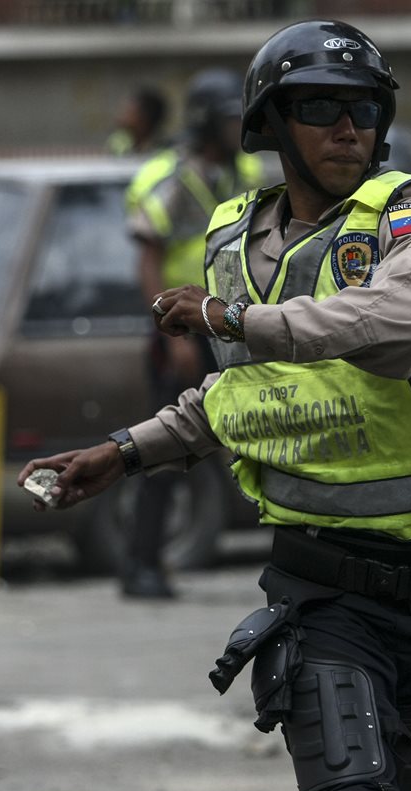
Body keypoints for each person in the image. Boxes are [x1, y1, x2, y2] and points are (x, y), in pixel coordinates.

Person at [18, 18, 411, 791]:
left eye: (365, 108)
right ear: (272, 123)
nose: (349, 127)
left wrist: (233, 319)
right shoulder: (233, 239)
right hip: (318, 588)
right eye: (322, 107)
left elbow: (406, 322)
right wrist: (124, 451)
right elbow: (248, 393)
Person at [120, 67, 263, 599]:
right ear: (205, 122)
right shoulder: (174, 178)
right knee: (165, 447)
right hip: (182, 328)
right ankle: (141, 565)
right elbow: (148, 261)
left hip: (227, 323)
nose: (237, 130)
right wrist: (172, 336)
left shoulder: (242, 172)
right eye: (228, 121)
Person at [106, 84, 168, 157]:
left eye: (128, 112)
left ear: (144, 118)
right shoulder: (121, 148)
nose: (120, 119)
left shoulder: (162, 153)